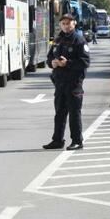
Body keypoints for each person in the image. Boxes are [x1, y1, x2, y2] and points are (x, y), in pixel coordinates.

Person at [43, 13, 90, 151]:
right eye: (63, 23)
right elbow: (49, 58)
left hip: (74, 83)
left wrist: (67, 63)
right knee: (59, 113)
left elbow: (85, 62)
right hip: (60, 82)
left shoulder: (79, 40)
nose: (66, 25)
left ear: (74, 24)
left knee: (74, 113)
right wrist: (52, 63)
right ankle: (57, 140)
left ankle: (77, 141)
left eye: (68, 23)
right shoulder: (58, 40)